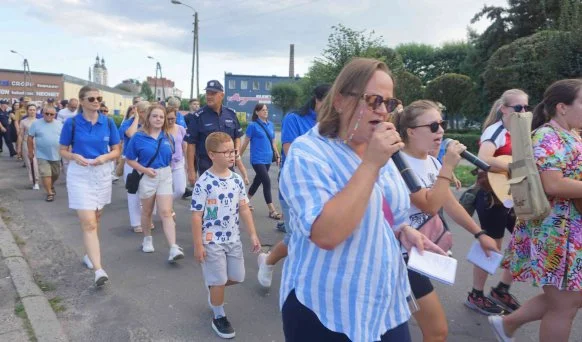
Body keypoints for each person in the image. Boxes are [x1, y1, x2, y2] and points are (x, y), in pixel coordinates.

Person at [279, 58, 441, 342]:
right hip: (326, 307)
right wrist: (370, 164)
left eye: (389, 103)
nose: (382, 111)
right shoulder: (309, 152)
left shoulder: (380, 149)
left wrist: (404, 231)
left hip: (383, 301)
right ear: (340, 100)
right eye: (374, 100)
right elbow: (326, 234)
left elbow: (383, 209)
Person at [393, 100, 499, 342]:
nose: (441, 131)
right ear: (411, 131)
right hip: (400, 254)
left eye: (442, 124)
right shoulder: (397, 163)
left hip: (421, 251)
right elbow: (429, 205)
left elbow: (449, 203)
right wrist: (448, 166)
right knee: (437, 330)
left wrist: (479, 234)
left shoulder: (430, 161)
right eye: (433, 126)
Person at [488, 79, 582, 342]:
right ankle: (506, 325)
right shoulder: (546, 136)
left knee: (570, 300)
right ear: (562, 107)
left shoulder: (572, 135)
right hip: (555, 233)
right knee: (564, 306)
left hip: (570, 232)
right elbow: (552, 183)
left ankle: (507, 324)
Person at [256, 84, 330, 288]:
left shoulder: (334, 124)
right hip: (295, 187)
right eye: (329, 101)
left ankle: (308, 279)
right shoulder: (294, 119)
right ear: (317, 99)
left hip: (324, 188)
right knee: (296, 235)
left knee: (318, 236)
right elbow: (291, 152)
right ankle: (268, 262)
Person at [191, 132, 261, 339]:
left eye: (233, 151)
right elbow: (196, 216)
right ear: (212, 154)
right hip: (212, 240)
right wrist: (198, 245)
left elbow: (244, 208)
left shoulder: (237, 180)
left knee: (237, 277)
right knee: (220, 280)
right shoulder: (204, 182)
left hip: (233, 239)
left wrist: (253, 235)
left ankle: (214, 286)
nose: (232, 156)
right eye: (226, 152)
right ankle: (219, 315)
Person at [465, 89, 529, 315]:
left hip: (514, 193)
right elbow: (483, 159)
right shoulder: (497, 130)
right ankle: (476, 294)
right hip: (492, 194)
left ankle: (502, 288)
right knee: (492, 245)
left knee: (525, 238)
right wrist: (512, 166)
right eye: (518, 108)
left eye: (525, 108)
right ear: (504, 109)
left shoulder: (521, 131)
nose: (523, 112)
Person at [59, 85, 121, 286]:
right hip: (80, 174)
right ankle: (98, 269)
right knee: (89, 223)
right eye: (92, 99)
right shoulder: (72, 123)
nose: (97, 102)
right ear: (82, 101)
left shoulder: (108, 122)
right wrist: (74, 156)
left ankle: (89, 254)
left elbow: (116, 150)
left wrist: (105, 157)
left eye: (99, 98)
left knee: (96, 217)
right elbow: (62, 150)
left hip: (101, 173)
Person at [125, 104, 184, 262]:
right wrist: (144, 170)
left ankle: (173, 247)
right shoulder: (138, 137)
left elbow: (170, 157)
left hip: (165, 175)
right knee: (147, 211)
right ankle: (147, 239)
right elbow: (129, 159)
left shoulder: (168, 137)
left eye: (161, 117)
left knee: (166, 212)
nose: (158, 119)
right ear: (148, 118)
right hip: (147, 176)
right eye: (155, 116)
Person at [186, 80, 249, 186]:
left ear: (222, 95)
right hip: (207, 165)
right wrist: (191, 170)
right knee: (210, 198)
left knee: (229, 195)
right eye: (207, 93)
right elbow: (191, 144)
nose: (209, 96)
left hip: (228, 165)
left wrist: (236, 149)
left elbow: (237, 136)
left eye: (213, 93)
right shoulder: (198, 116)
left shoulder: (231, 114)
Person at [239, 104, 281, 219]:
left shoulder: (271, 125)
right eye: (263, 110)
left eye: (266, 110)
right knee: (266, 181)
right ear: (257, 112)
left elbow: (273, 142)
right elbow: (246, 142)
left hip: (268, 158)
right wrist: (238, 156)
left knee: (257, 181)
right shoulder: (253, 126)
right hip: (257, 159)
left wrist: (277, 155)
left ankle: (244, 202)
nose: (266, 112)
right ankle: (272, 210)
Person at [119, 101, 152, 233]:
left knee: (148, 191)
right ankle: (136, 222)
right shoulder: (128, 123)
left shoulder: (151, 124)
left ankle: (147, 219)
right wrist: (137, 118)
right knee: (133, 192)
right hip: (132, 160)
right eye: (147, 112)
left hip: (147, 161)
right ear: (141, 112)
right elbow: (131, 134)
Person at [27, 106, 63, 201]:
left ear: (55, 115)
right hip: (41, 154)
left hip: (56, 154)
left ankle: (50, 185)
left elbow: (64, 139)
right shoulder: (36, 124)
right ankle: (49, 193)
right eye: (47, 113)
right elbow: (30, 138)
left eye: (52, 114)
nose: (49, 116)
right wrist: (30, 151)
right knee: (45, 173)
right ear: (43, 113)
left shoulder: (60, 124)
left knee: (56, 174)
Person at [166, 108, 188, 199]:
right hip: (164, 164)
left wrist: (187, 163)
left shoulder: (181, 128)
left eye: (173, 118)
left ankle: (164, 202)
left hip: (178, 162)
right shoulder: (160, 130)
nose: (170, 121)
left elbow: (185, 145)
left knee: (180, 190)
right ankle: (166, 208)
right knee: (166, 189)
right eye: (168, 119)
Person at [182, 98, 201, 199]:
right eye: (194, 104)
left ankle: (195, 184)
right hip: (189, 143)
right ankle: (190, 183)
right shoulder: (186, 117)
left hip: (198, 144)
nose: (196, 106)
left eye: (198, 104)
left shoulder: (201, 116)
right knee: (190, 164)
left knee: (197, 163)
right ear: (190, 105)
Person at [17, 104, 40, 190]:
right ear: (27, 111)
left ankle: (40, 179)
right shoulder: (23, 121)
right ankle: (35, 181)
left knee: (38, 163)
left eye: (34, 110)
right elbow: (20, 135)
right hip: (26, 143)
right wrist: (19, 147)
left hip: (38, 143)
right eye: (30, 109)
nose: (32, 111)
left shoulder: (39, 121)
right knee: (31, 163)